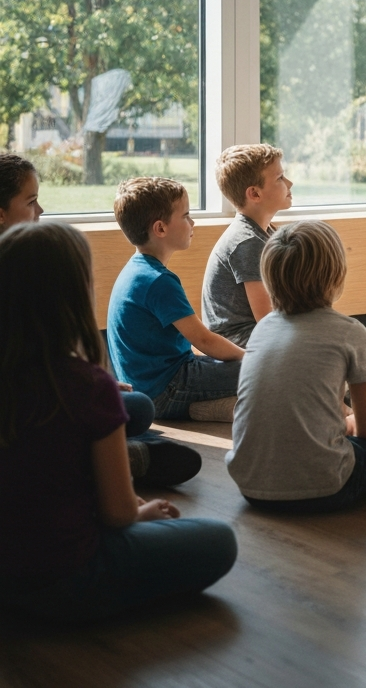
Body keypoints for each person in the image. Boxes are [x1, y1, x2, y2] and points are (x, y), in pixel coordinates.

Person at [0, 222, 236, 623]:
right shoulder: (87, 385)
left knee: (136, 408)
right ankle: (134, 458)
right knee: (221, 541)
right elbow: (118, 515)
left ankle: (137, 455)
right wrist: (143, 515)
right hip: (71, 577)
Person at [0, 154, 199, 485]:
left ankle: (93, 453)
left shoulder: (32, 258)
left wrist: (88, 379)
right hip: (21, 395)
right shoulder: (21, 267)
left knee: (138, 408)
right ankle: (107, 461)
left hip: (43, 386)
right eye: (32, 201)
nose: (41, 211)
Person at [226, 220, 366, 512]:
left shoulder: (263, 327)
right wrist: (348, 423)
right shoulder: (351, 332)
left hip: (251, 488)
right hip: (325, 487)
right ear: (336, 275)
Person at [202, 144, 366, 412]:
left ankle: (351, 397)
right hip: (240, 338)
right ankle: (346, 406)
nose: (289, 182)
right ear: (254, 193)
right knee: (314, 342)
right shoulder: (248, 243)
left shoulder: (261, 232)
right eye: (279, 178)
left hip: (253, 332)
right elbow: (268, 320)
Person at [107, 177, 244, 422]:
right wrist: (251, 357)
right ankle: (209, 407)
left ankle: (205, 408)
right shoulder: (158, 280)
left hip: (149, 387)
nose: (193, 222)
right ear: (160, 229)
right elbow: (204, 339)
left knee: (235, 362)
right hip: (165, 391)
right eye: (186, 215)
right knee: (264, 368)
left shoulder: (137, 270)